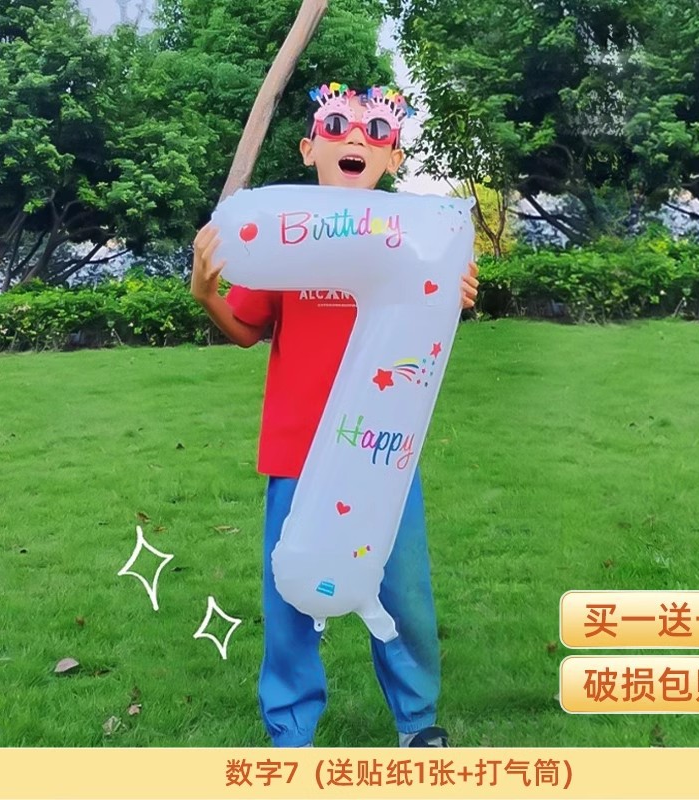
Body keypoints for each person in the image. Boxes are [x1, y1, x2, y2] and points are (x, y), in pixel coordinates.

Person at [190, 83, 479, 748]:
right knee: (290, 597)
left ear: (393, 158)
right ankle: (290, 732)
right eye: (337, 125)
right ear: (308, 148)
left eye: (375, 131)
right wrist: (206, 294)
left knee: (403, 592)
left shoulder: (413, 243)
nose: (355, 137)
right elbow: (245, 328)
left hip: (383, 450)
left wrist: (455, 294)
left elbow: (428, 322)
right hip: (297, 448)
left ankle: (417, 723)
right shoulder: (287, 241)